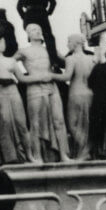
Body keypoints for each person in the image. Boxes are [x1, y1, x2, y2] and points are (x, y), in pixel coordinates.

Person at [12, 25, 70, 163]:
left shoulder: (49, 49)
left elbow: (67, 62)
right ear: (28, 34)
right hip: (34, 88)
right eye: (32, 30)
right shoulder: (24, 51)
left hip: (51, 86)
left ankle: (64, 155)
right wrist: (24, 78)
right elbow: (9, 64)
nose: (37, 31)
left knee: (59, 121)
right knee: (35, 123)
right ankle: (37, 156)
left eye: (39, 29)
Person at [0, 41, 32, 163]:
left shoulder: (10, 60)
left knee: (21, 123)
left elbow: (21, 78)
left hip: (13, 91)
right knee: (5, 124)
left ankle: (29, 155)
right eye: (1, 42)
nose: (4, 44)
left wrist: (39, 76)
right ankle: (12, 157)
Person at [61, 34, 96, 160]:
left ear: (75, 43)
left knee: (72, 124)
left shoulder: (71, 59)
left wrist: (51, 76)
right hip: (90, 93)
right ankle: (87, 151)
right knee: (87, 125)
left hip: (75, 93)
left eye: (68, 41)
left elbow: (66, 77)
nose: (67, 44)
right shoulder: (92, 59)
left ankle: (84, 148)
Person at [16, 0, 61, 69]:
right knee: (49, 37)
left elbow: (18, 6)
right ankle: (54, 61)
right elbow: (53, 2)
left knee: (32, 34)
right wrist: (49, 12)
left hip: (30, 14)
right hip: (42, 14)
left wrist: (24, 17)